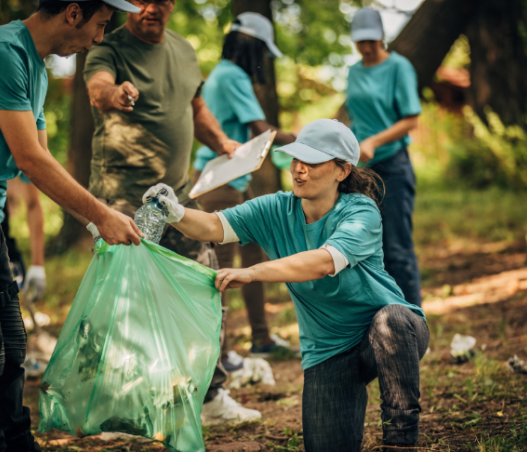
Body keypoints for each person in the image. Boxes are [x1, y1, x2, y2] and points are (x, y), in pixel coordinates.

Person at [0, 1, 145, 451]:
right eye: (100, 25)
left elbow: (39, 167)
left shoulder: (37, 70)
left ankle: (17, 442)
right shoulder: (1, 52)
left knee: (10, 347)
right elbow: (29, 157)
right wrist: (101, 214)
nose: (100, 39)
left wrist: (94, 224)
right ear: (73, 13)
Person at [143, 119, 430, 451]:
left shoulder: (361, 212)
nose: (299, 169)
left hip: (387, 334)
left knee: (390, 321)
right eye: (296, 159)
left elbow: (323, 262)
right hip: (329, 352)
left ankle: (400, 441)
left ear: (342, 171)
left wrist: (254, 272)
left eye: (312, 162)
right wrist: (175, 211)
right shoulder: (276, 208)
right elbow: (212, 226)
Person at [83, 0, 260, 425]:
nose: (151, 8)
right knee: (127, 303)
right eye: (141, 0)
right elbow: (97, 89)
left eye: (160, 0)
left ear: (172, 5)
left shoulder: (184, 50)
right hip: (122, 199)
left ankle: (211, 395)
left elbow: (196, 109)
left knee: (208, 284)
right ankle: (118, 408)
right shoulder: (109, 46)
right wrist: (117, 93)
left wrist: (223, 145)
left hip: (176, 197)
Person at [192, 12, 297, 365]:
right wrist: (304, 141)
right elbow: (259, 129)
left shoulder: (224, 74)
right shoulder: (231, 75)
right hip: (220, 182)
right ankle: (217, 356)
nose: (263, 60)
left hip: (234, 178)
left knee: (253, 254)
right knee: (219, 269)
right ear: (250, 46)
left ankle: (262, 338)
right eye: (263, 51)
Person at [345, 8, 423, 307]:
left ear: (382, 37)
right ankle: (384, 320)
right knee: (367, 248)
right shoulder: (353, 71)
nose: (365, 47)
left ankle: (413, 321)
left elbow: (411, 118)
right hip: (362, 169)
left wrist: (375, 141)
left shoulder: (398, 68)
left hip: (393, 164)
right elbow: (355, 117)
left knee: (397, 250)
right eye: (359, 41)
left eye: (370, 40)